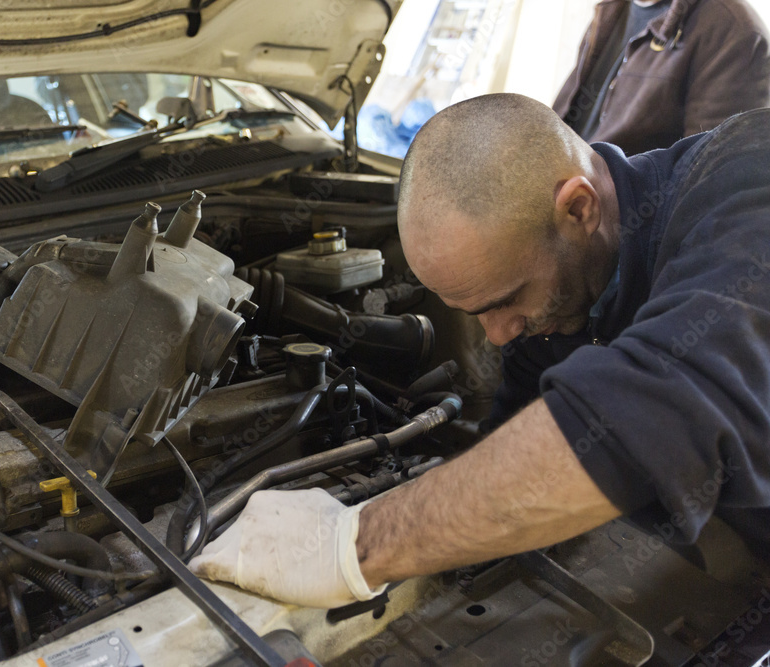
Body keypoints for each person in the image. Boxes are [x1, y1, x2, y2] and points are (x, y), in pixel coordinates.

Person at [189, 93, 770, 609]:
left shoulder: (749, 182)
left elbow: (665, 406)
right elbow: (513, 447)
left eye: (507, 299)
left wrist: (353, 545)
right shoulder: (552, 307)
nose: (496, 335)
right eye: (475, 313)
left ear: (578, 210)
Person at [554, 0, 770, 155]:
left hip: (611, 212)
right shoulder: (612, 10)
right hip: (563, 191)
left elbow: (710, 174)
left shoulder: (733, 31)